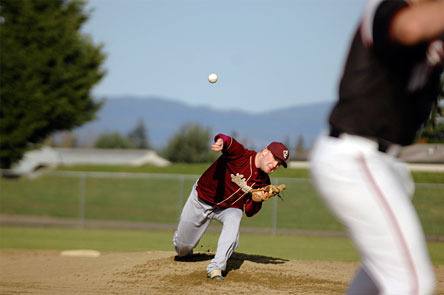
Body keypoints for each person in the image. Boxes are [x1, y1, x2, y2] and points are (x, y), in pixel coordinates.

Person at [310, 0, 444, 294]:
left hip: (386, 166)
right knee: (412, 284)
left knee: (378, 280)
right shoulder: (387, 7)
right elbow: (410, 28)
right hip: (354, 158)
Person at [173, 133, 290, 280]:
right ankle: (183, 246)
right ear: (265, 151)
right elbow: (228, 141)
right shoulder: (241, 155)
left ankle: (216, 267)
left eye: (279, 164)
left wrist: (256, 200)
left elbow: (249, 212)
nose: (275, 165)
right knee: (182, 249)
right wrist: (221, 141)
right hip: (201, 199)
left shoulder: (264, 183)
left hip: (228, 209)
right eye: (275, 159)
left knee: (235, 217)